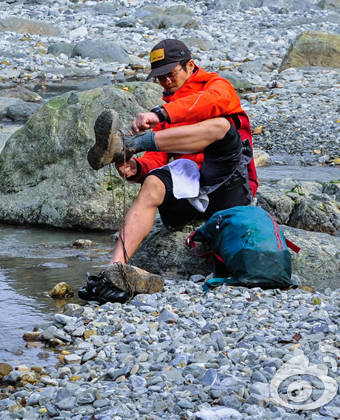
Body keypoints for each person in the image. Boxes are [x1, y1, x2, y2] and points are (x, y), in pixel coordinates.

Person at [78, 39, 256, 302]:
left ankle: (129, 143)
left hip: (229, 187)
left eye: (169, 74)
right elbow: (157, 158)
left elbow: (205, 104)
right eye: (159, 78)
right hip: (191, 194)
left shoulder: (217, 87)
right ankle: (113, 270)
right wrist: (136, 167)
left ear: (190, 66)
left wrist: (160, 114)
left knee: (221, 126)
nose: (165, 82)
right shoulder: (169, 104)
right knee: (152, 182)